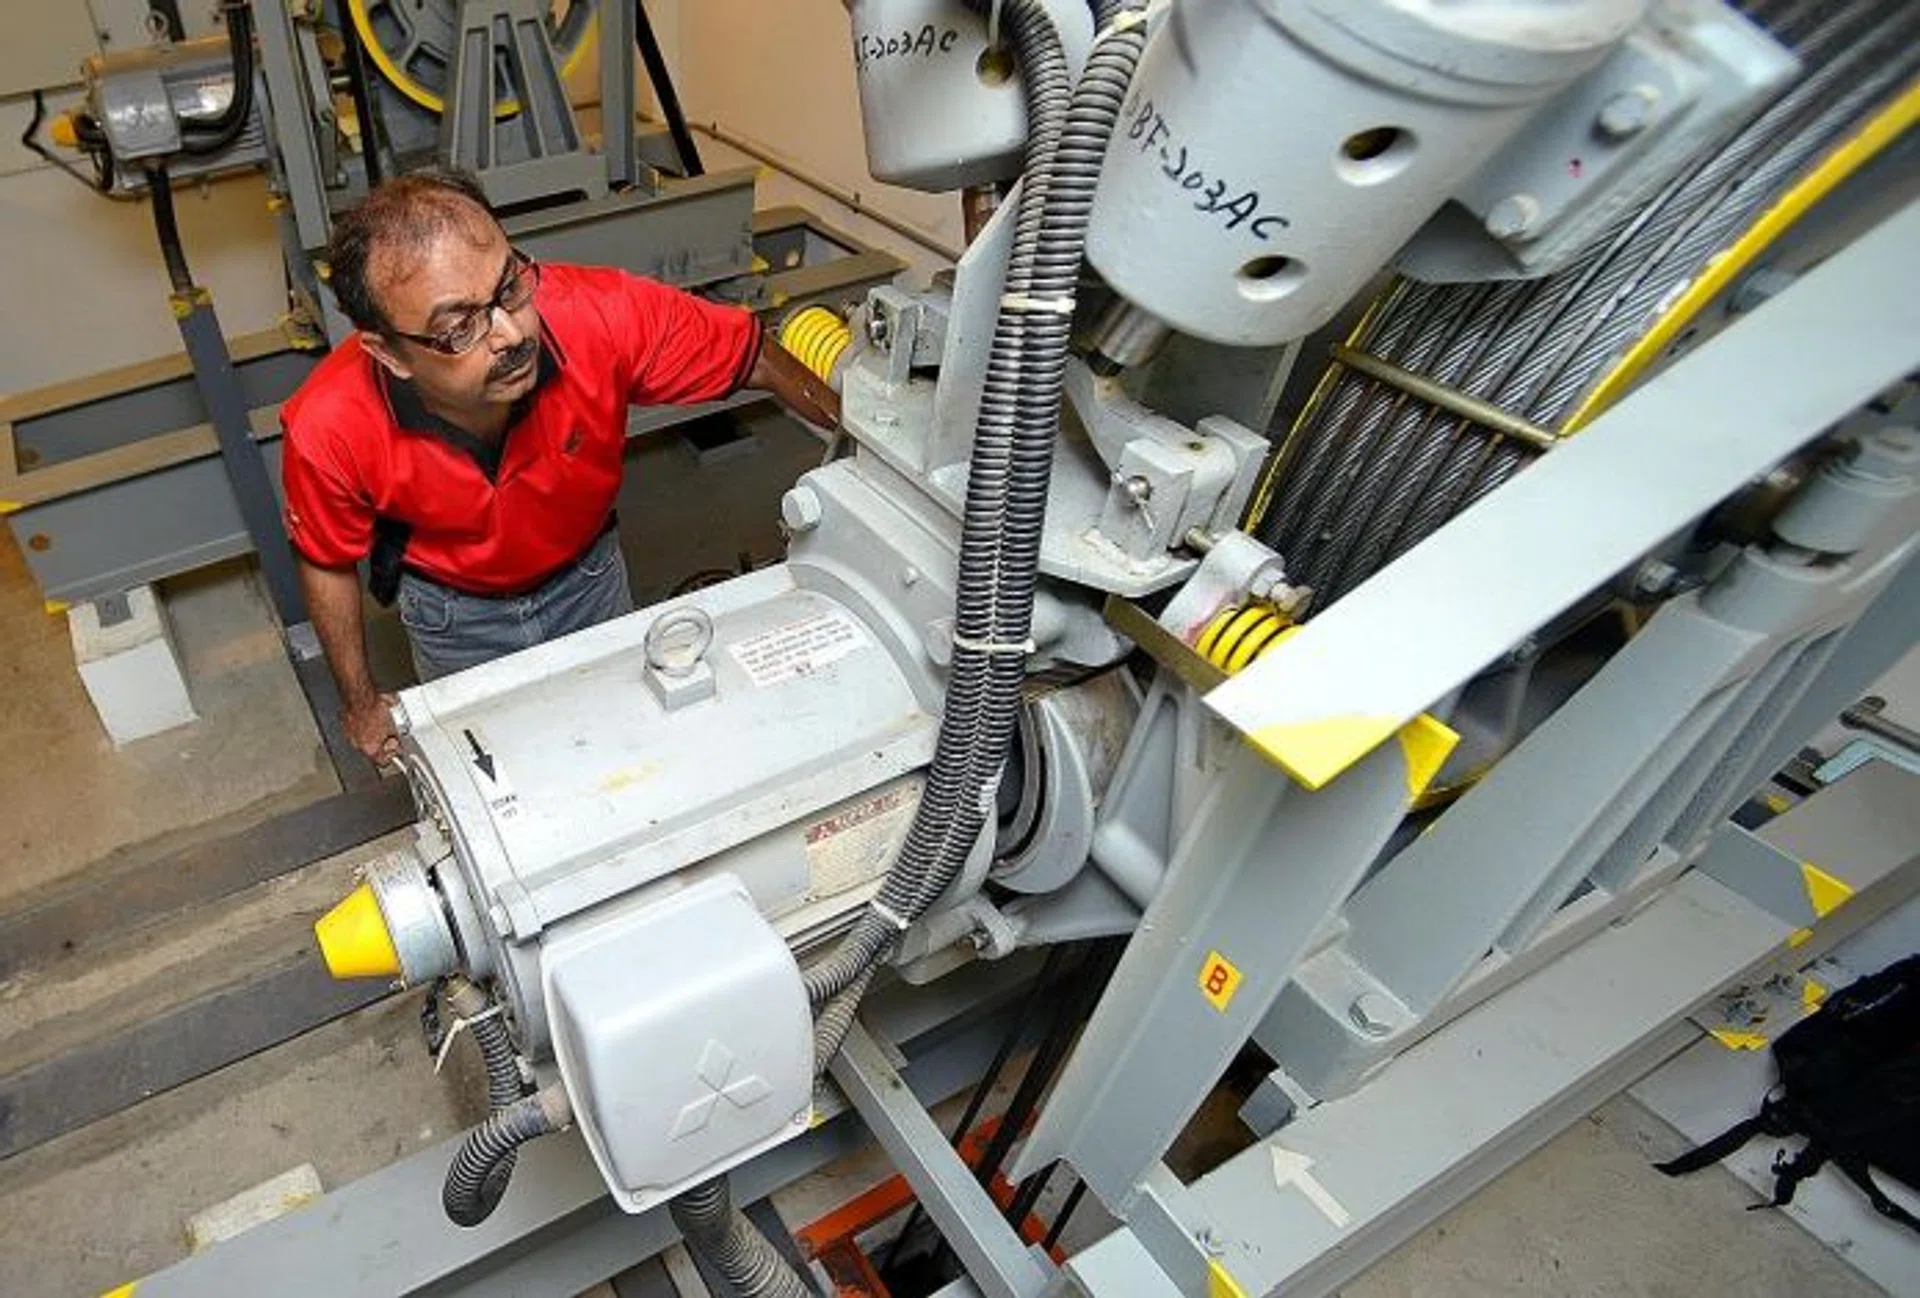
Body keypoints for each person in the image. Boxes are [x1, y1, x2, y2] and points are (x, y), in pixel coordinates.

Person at [280, 168, 840, 766]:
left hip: (590, 581)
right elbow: (327, 561)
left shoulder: (599, 315)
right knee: (498, 774)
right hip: (454, 616)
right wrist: (361, 704)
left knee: (632, 750)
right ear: (389, 353)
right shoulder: (330, 425)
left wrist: (869, 451)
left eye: (511, 286)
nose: (512, 332)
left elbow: (754, 355)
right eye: (459, 328)